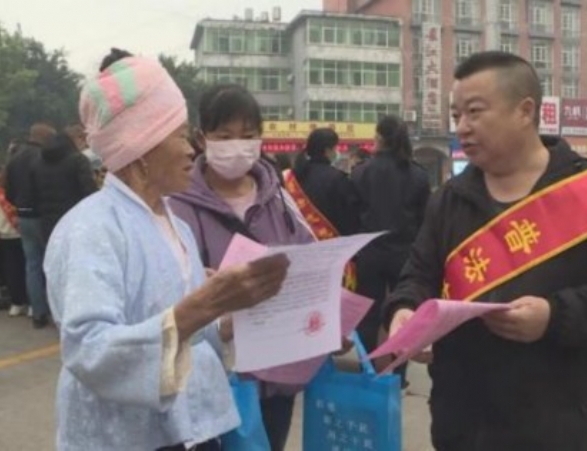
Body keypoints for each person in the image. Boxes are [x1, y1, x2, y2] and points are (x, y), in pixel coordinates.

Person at [384, 51, 587, 451]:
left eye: (475, 112)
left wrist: (555, 316)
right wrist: (404, 311)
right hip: (461, 424)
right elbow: (418, 274)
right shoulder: (449, 198)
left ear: (525, 111)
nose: (462, 127)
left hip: (555, 427)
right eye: (456, 115)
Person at [45, 50, 290, 451]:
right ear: (141, 150)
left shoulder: (174, 225)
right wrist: (204, 305)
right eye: (179, 135)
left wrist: (223, 320)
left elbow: (185, 331)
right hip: (124, 438)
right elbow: (89, 348)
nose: (191, 149)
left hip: (189, 431)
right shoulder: (91, 229)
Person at [169, 83, 315, 451]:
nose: (237, 146)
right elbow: (167, 287)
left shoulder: (279, 197)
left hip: (275, 370)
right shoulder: (176, 204)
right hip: (212, 374)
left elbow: (309, 257)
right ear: (201, 138)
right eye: (224, 136)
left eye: (248, 136)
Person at [352, 115, 430, 362]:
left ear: (379, 137)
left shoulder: (360, 173)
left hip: (369, 253)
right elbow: (424, 219)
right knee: (403, 312)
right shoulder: (418, 175)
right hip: (405, 255)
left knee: (368, 316)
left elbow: (352, 214)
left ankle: (367, 366)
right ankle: (399, 369)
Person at [285, 128, 360, 289]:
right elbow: (348, 219)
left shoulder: (293, 177)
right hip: (330, 254)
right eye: (335, 148)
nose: (337, 152)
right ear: (327, 150)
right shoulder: (337, 179)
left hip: (299, 253)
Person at [5, 122, 56, 328]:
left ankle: (37, 312)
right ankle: (54, 308)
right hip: (42, 215)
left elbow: (7, 188)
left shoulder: (14, 157)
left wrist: (18, 204)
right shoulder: (43, 157)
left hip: (23, 215)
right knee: (51, 263)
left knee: (32, 264)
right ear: (44, 137)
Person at [30, 131, 98, 242]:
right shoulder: (78, 160)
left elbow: (33, 193)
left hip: (48, 223)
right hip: (75, 219)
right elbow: (89, 191)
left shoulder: (37, 163)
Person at [0, 168, 29, 317]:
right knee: (25, 269)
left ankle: (16, 303)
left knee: (11, 271)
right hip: (18, 234)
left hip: (3, 235)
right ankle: (30, 302)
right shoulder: (13, 194)